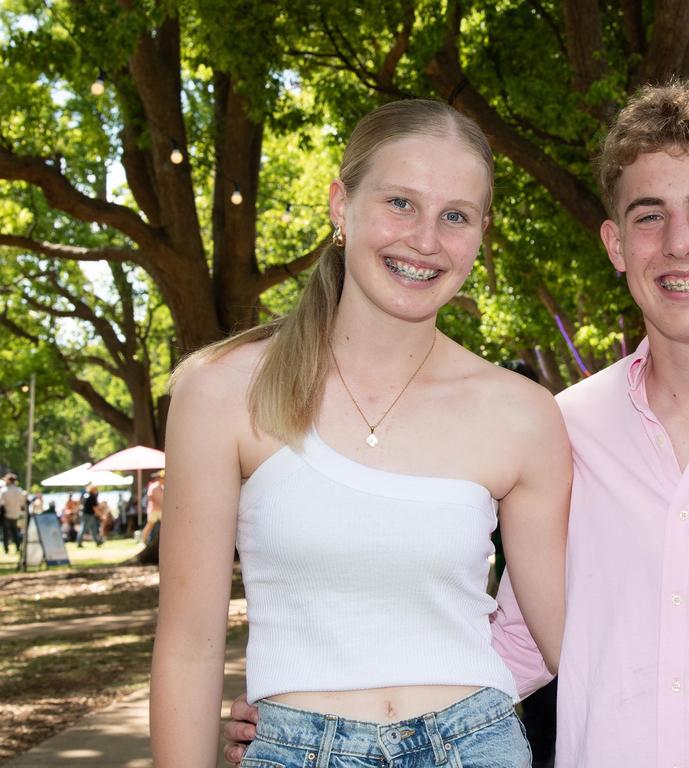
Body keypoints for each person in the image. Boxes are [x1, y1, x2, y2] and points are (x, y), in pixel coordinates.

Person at [228, 82, 689, 767]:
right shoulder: (565, 431)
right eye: (649, 217)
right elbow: (514, 639)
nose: (681, 243)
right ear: (615, 246)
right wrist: (322, 704)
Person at [151, 99, 571, 768]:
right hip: (294, 748)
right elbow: (187, 650)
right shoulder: (222, 392)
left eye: (455, 216)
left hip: (477, 744)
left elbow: (572, 649)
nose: (426, 239)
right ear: (340, 206)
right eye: (400, 202)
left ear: (480, 233)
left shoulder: (523, 414)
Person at [1, 474, 25, 554]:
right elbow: (22, 503)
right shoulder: (19, 490)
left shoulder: (4, 490)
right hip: (16, 514)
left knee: (6, 533)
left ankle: (6, 549)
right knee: (15, 532)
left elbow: (1, 503)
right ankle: (18, 547)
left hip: (6, 514)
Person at [141, 471, 163, 545]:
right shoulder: (153, 487)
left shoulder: (162, 487)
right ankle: (143, 541)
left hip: (160, 510)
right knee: (150, 525)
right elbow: (151, 497)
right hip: (154, 510)